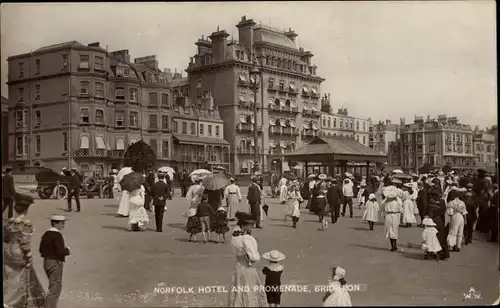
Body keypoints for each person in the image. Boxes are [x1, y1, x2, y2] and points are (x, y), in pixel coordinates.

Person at [3, 193, 45, 308]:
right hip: (19, 254)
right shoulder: (25, 224)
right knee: (23, 280)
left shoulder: (9, 222)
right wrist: (28, 255)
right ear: (26, 209)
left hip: (7, 254)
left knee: (9, 278)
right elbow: (25, 242)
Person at [227, 218, 267, 307]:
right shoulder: (247, 239)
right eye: (250, 225)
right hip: (247, 267)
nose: (251, 227)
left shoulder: (235, 238)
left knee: (238, 287)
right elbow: (254, 258)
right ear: (245, 226)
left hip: (238, 266)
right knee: (250, 289)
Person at [39, 214, 71, 308]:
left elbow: (41, 249)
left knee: (52, 286)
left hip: (46, 262)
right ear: (55, 223)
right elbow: (60, 251)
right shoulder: (57, 235)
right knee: (55, 288)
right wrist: (67, 250)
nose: (63, 225)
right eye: (61, 223)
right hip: (55, 263)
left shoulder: (46, 234)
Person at [381, 184, 403, 251]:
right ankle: (395, 245)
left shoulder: (385, 200)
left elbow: (382, 208)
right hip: (396, 215)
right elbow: (401, 210)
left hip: (389, 216)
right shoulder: (398, 200)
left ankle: (392, 246)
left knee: (390, 230)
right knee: (395, 229)